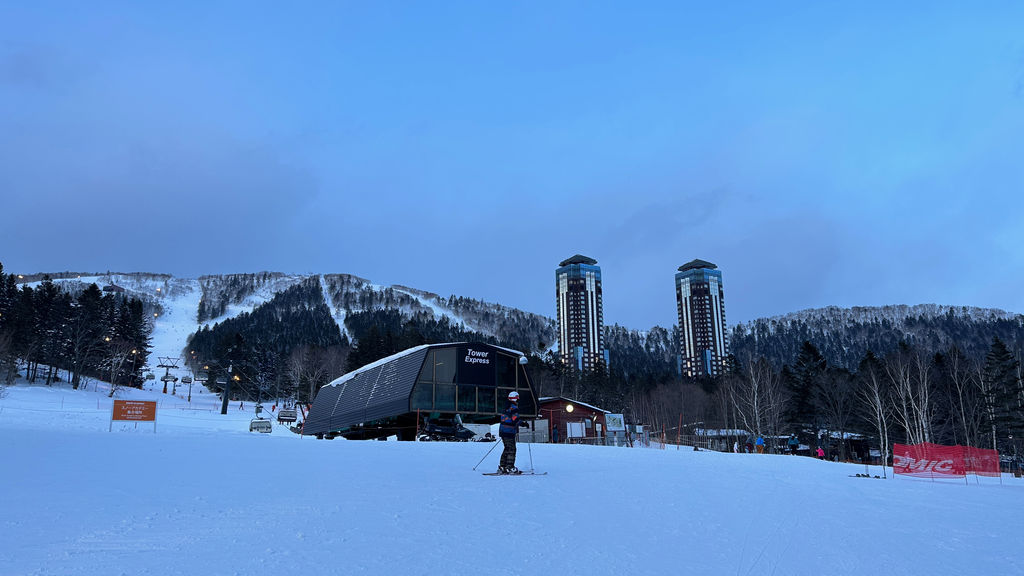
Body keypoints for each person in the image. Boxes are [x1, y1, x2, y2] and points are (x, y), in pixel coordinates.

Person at [498, 391, 529, 474]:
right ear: (515, 398)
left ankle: (502, 466)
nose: (518, 401)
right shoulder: (513, 407)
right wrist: (523, 423)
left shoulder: (506, 406)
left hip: (503, 430)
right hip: (509, 431)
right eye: (517, 399)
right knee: (512, 449)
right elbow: (515, 419)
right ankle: (510, 467)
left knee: (507, 448)